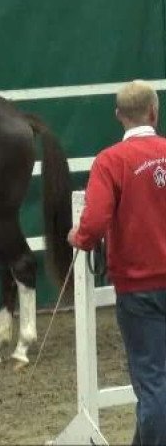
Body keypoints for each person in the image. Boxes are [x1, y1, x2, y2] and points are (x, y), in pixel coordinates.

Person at [68, 79, 166, 445]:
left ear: (118, 116)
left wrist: (79, 238)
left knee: (153, 383)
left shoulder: (111, 161)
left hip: (139, 287)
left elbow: (93, 222)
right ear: (154, 112)